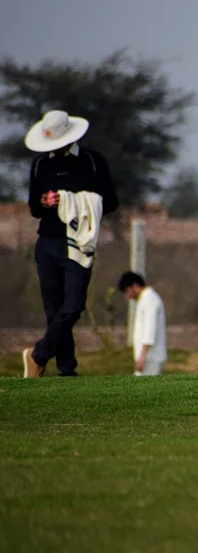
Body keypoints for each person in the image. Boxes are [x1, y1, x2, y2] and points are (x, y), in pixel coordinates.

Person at [22, 110, 119, 378]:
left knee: (74, 305)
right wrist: (45, 202)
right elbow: (34, 207)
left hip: (78, 241)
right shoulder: (40, 165)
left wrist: (76, 203)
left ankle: (38, 355)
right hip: (48, 242)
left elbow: (110, 201)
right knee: (53, 309)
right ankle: (66, 369)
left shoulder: (92, 161)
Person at [118, 271, 167, 376]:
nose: (127, 296)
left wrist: (142, 356)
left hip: (151, 357)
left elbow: (150, 328)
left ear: (134, 286)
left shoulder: (150, 299)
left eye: (127, 291)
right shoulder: (144, 299)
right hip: (147, 356)